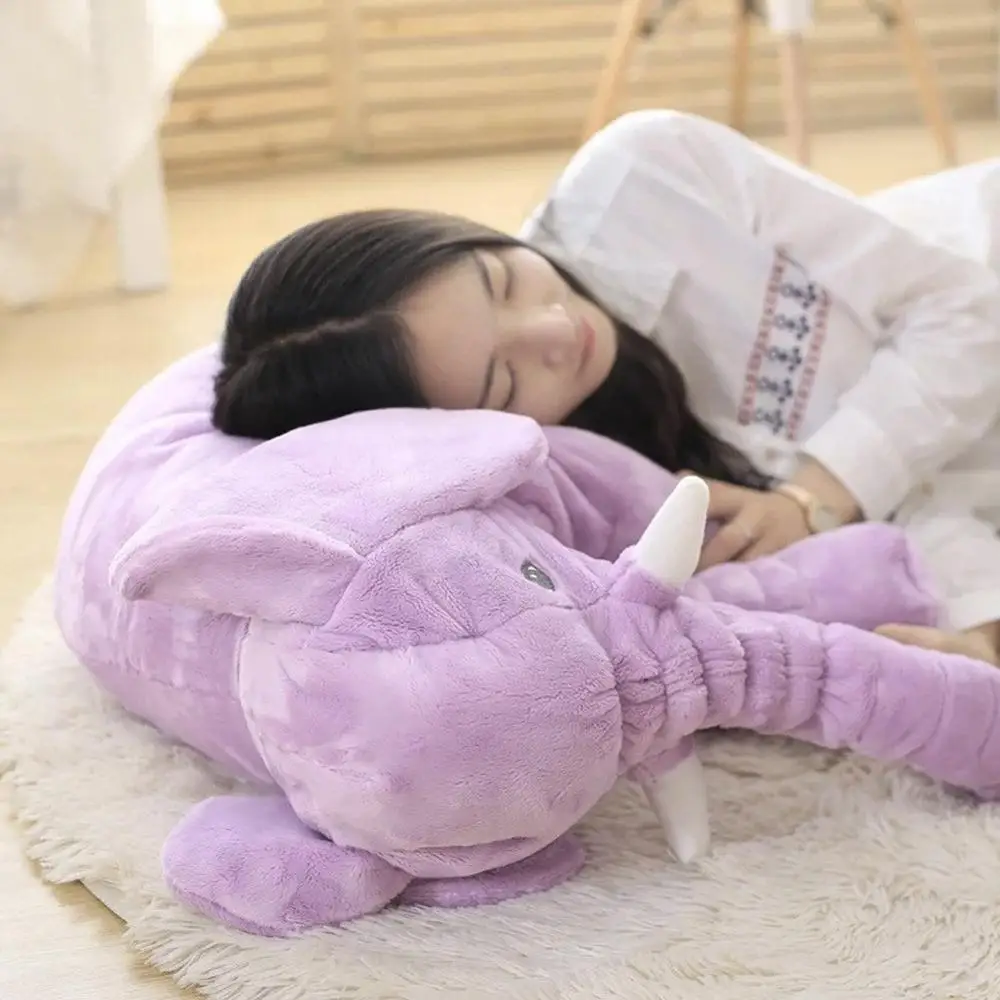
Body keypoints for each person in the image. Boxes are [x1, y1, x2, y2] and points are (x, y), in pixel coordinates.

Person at [212, 109, 1000, 665]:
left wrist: (813, 496)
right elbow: (914, 503)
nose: (557, 329)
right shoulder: (575, 489)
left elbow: (966, 310)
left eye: (501, 279)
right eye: (504, 380)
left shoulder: (645, 174)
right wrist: (981, 628)